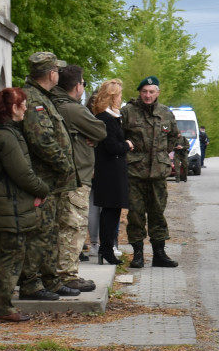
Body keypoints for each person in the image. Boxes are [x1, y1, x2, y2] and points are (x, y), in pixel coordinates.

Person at [0, 88, 50, 322]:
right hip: (9, 208)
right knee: (11, 256)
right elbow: (22, 173)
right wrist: (43, 190)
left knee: (2, 254)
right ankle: (2, 308)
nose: (26, 110)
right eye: (23, 105)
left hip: (0, 205)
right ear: (13, 108)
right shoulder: (5, 136)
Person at [19, 52, 79, 300]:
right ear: (51, 73)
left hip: (52, 182)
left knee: (50, 231)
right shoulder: (34, 100)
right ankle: (31, 284)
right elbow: (41, 140)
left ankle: (50, 280)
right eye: (57, 70)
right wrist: (65, 164)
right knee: (39, 232)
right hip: (43, 180)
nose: (58, 73)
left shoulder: (44, 97)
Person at [51, 65, 107, 292]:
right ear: (77, 86)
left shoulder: (53, 103)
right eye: (83, 84)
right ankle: (67, 275)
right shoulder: (72, 109)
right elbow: (101, 130)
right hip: (75, 177)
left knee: (64, 226)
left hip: (66, 175)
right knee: (73, 226)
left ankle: (63, 273)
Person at [121, 76, 181, 268]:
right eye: (145, 91)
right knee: (136, 215)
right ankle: (138, 254)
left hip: (158, 173)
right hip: (134, 172)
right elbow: (118, 137)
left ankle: (159, 254)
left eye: (152, 91)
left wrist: (161, 155)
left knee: (158, 213)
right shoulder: (128, 112)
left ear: (158, 93)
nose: (148, 95)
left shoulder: (166, 113)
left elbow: (173, 137)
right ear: (140, 92)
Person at [90, 79, 131, 265]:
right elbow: (112, 146)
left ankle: (106, 247)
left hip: (113, 170)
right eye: (120, 95)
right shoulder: (106, 119)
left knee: (112, 211)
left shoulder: (111, 117)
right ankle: (105, 248)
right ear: (113, 97)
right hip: (109, 172)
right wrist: (127, 145)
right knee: (109, 210)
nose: (121, 98)